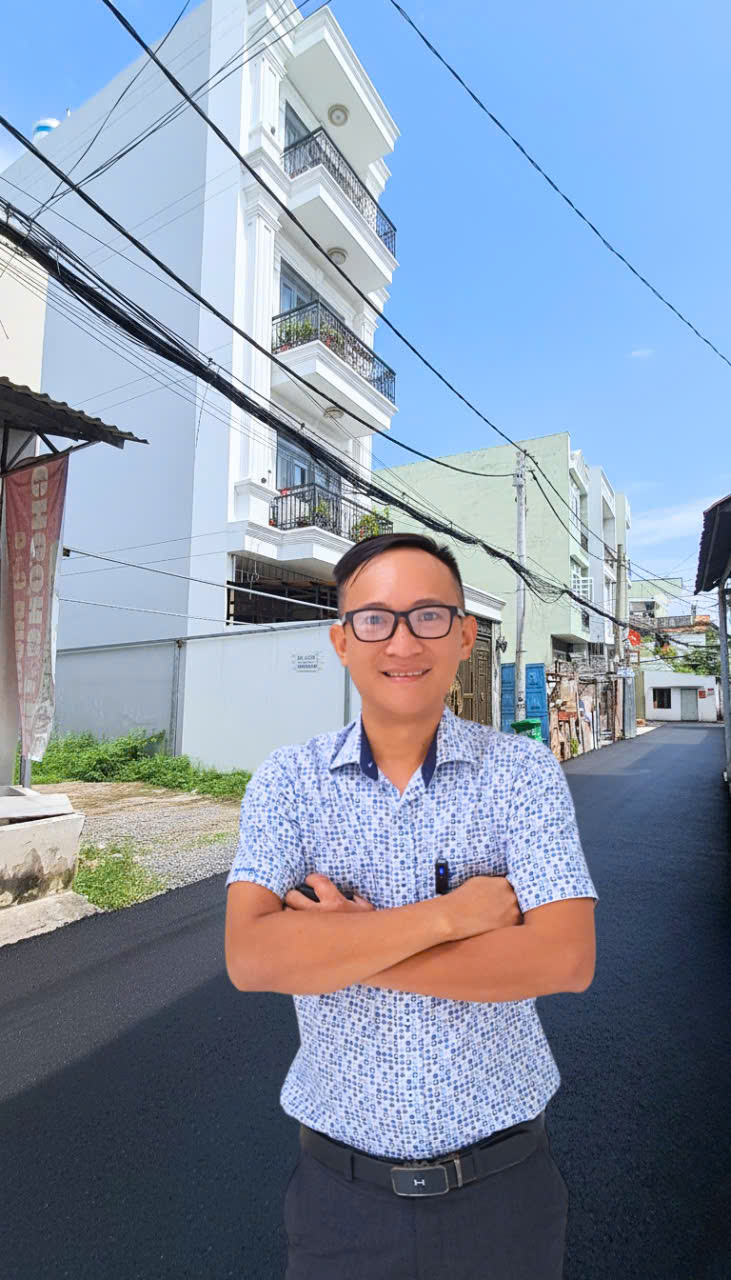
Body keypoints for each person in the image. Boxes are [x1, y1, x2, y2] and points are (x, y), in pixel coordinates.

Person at [224, 532, 598, 1279]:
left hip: (503, 1189)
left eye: (428, 616)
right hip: (338, 1198)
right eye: (374, 619)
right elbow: (252, 957)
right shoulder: (289, 782)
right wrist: (450, 918)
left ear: (464, 634)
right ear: (341, 640)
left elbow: (564, 958)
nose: (401, 642)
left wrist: (342, 946)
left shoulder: (520, 773)